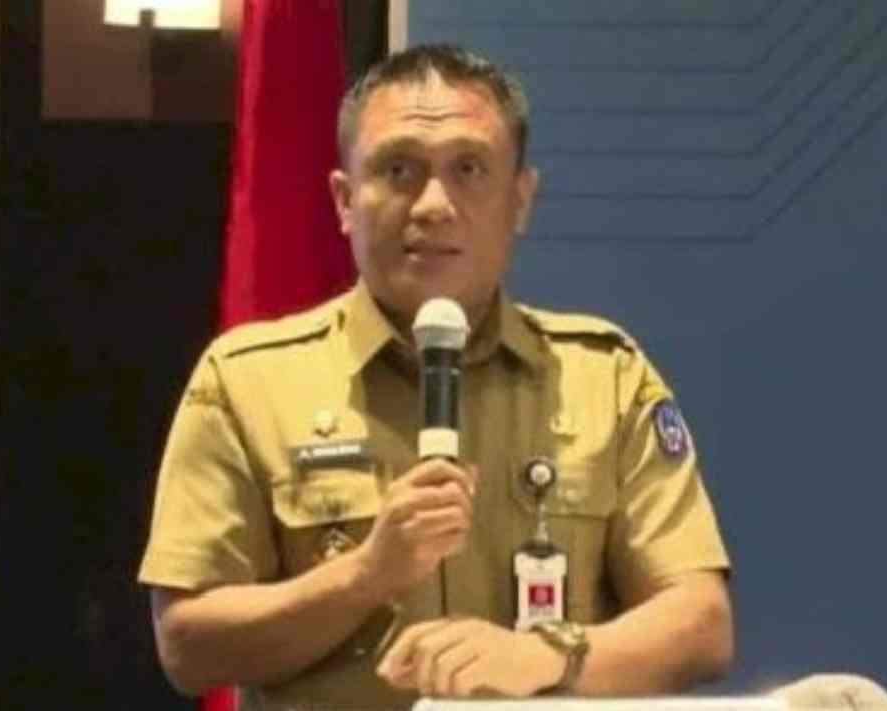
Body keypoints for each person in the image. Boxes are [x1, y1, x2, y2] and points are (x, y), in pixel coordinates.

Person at [138, 44, 733, 710]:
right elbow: (187, 645)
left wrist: (547, 655)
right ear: (344, 200)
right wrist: (365, 575)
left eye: (468, 169)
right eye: (398, 169)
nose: (432, 204)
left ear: (520, 200)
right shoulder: (246, 382)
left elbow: (700, 622)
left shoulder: (607, 378)